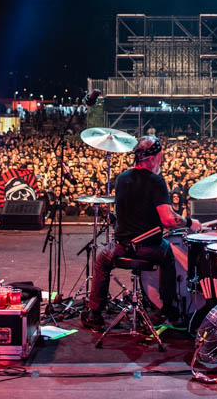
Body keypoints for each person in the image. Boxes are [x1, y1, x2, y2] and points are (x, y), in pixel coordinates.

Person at [83, 136, 200, 330]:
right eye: (160, 157)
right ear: (152, 159)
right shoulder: (156, 182)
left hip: (122, 246)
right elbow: (168, 220)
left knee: (102, 261)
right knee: (168, 255)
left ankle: (94, 314)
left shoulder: (122, 178)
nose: (161, 160)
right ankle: (168, 310)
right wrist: (189, 223)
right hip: (148, 248)